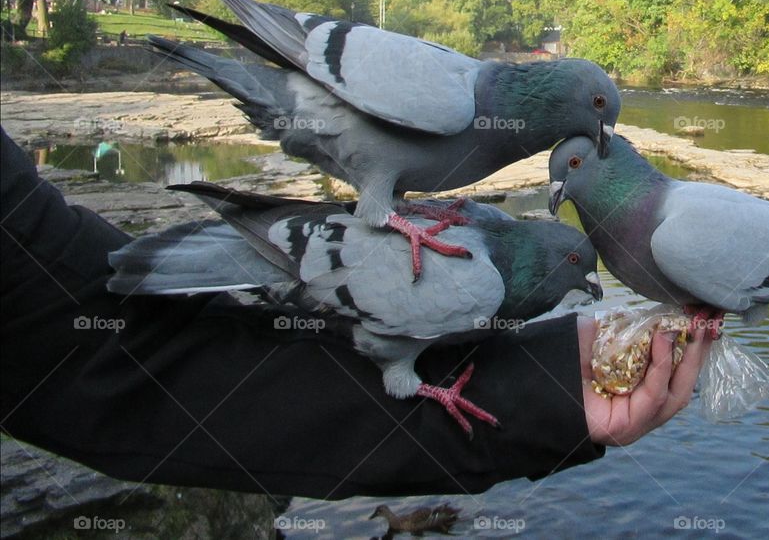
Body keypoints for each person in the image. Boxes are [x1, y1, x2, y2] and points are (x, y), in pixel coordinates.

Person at [0, 126, 709, 500]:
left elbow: (96, 341)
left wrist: (537, 390)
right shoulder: (482, 285)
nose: (585, 281)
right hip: (298, 262)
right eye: (580, 270)